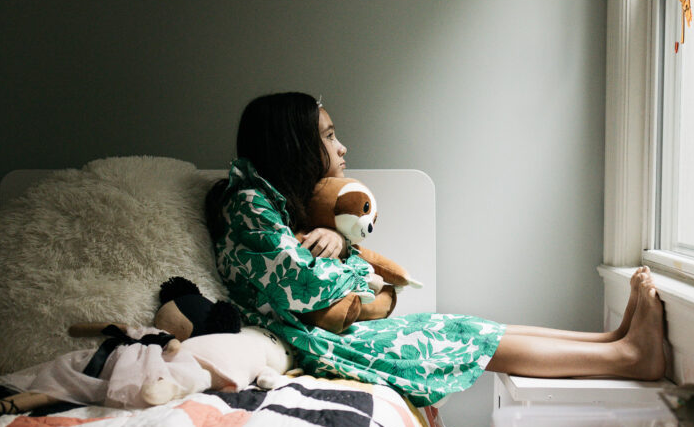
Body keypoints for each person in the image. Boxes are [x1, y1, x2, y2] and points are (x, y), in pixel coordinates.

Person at [205, 92, 668, 407]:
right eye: (328, 135)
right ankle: (628, 358)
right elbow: (305, 284)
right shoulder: (246, 204)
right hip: (306, 345)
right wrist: (359, 275)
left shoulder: (277, 204)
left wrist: (342, 244)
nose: (342, 147)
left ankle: (611, 342)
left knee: (464, 325)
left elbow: (316, 273)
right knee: (457, 338)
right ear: (293, 144)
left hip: (316, 334)